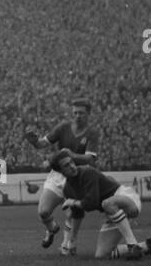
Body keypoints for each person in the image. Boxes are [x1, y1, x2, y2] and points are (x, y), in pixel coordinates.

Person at [51, 149, 151, 259]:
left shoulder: (87, 172)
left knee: (107, 203)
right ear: (60, 171)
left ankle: (132, 245)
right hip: (112, 212)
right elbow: (77, 215)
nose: (72, 166)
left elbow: (91, 202)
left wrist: (74, 202)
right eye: (66, 165)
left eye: (71, 162)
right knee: (102, 255)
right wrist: (72, 239)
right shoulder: (67, 190)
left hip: (125, 198)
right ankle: (147, 246)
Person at [25, 98, 99, 252]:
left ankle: (70, 242)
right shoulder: (63, 127)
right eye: (75, 113)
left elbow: (90, 158)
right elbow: (42, 143)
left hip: (77, 176)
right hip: (58, 176)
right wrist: (34, 141)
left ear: (88, 114)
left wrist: (72, 155)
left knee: (76, 211)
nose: (78, 116)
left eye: (81, 113)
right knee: (43, 212)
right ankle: (52, 228)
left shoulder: (92, 133)